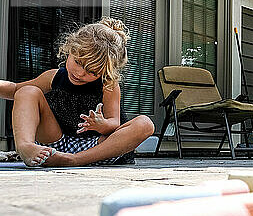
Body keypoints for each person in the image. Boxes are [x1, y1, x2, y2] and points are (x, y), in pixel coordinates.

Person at [0, 17, 154, 167]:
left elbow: (114, 123)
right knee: (27, 91)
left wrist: (101, 125)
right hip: (54, 144)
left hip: (97, 148)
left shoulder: (109, 85)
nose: (80, 73)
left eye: (92, 71)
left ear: (106, 71)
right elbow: (14, 89)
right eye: (78, 62)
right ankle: (25, 146)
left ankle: (74, 160)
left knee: (145, 124)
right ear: (70, 49)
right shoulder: (54, 77)